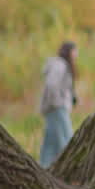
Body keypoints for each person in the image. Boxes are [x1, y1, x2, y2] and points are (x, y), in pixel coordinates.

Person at [38, 40, 78, 168]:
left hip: (54, 107)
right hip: (56, 108)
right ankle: (69, 168)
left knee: (50, 142)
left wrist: (71, 97)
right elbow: (51, 84)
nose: (77, 54)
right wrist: (58, 102)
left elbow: (61, 86)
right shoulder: (60, 65)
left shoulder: (60, 65)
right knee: (66, 139)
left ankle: (45, 167)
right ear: (69, 51)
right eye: (75, 51)